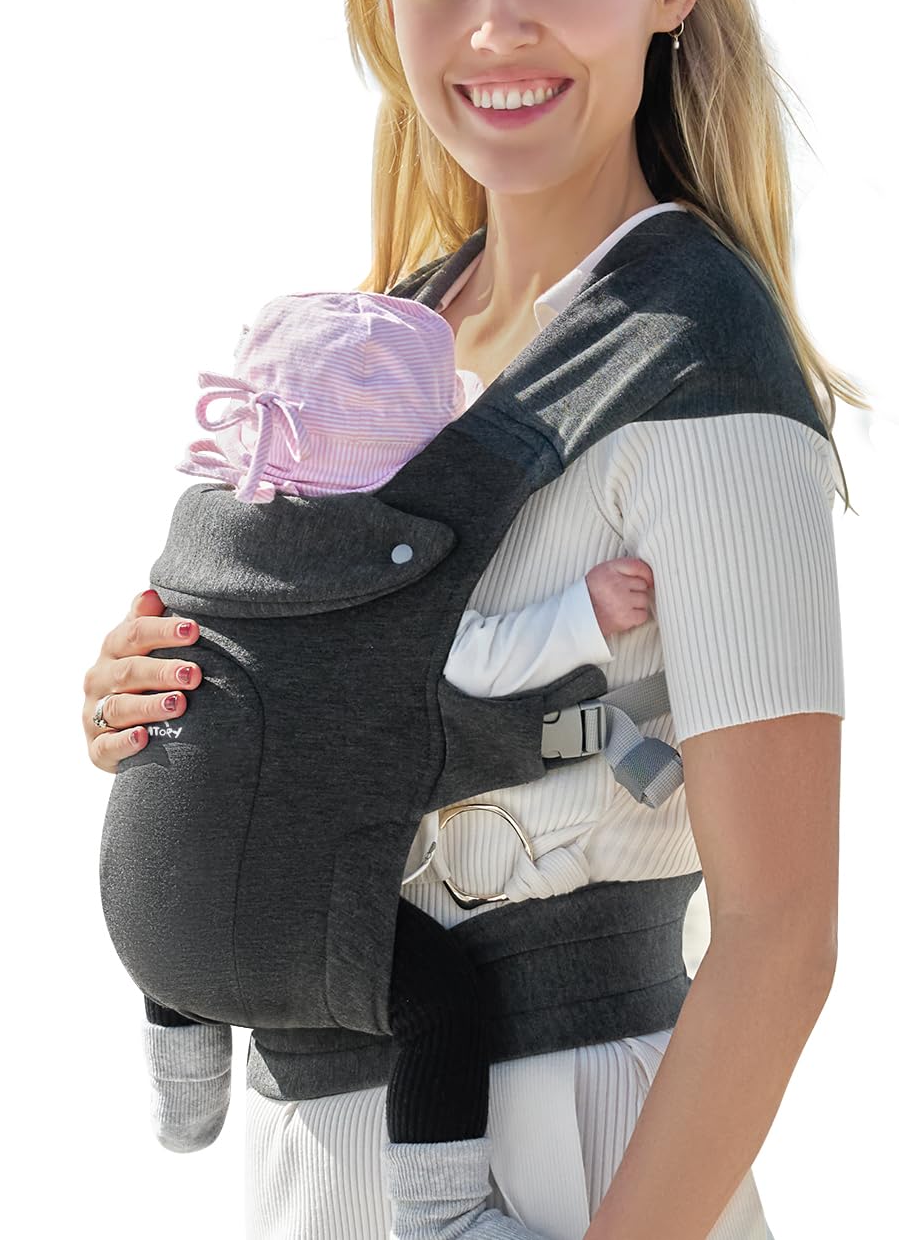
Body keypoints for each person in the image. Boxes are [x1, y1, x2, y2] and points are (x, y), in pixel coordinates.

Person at [82, 0, 865, 1238]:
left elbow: (782, 935)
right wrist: (169, 703)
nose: (498, 27)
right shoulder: (386, 353)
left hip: (574, 1153)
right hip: (322, 1150)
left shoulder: (699, 372)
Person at [133, 285, 664, 1240]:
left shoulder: (204, 554)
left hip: (152, 933)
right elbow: (479, 660)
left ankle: (185, 1090)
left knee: (192, 842)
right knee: (440, 1002)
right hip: (295, 929)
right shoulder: (377, 578)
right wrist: (583, 614)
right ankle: (443, 1214)